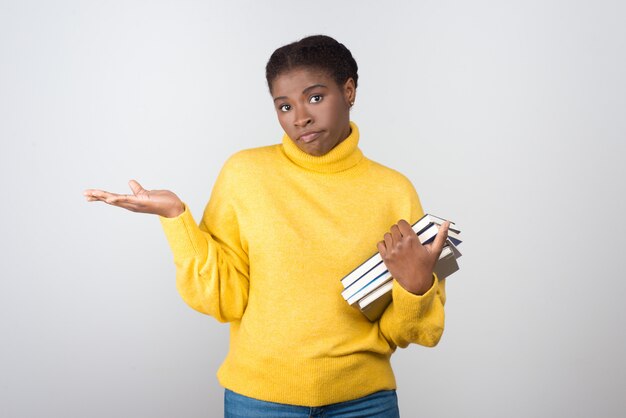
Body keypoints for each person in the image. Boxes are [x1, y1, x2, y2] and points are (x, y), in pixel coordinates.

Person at [84, 35, 449, 418]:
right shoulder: (245, 175)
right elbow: (226, 300)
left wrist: (416, 286)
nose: (300, 117)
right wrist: (177, 218)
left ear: (349, 90)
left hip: (364, 402)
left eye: (315, 97)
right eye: (284, 105)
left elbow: (414, 333)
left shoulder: (393, 191)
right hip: (260, 401)